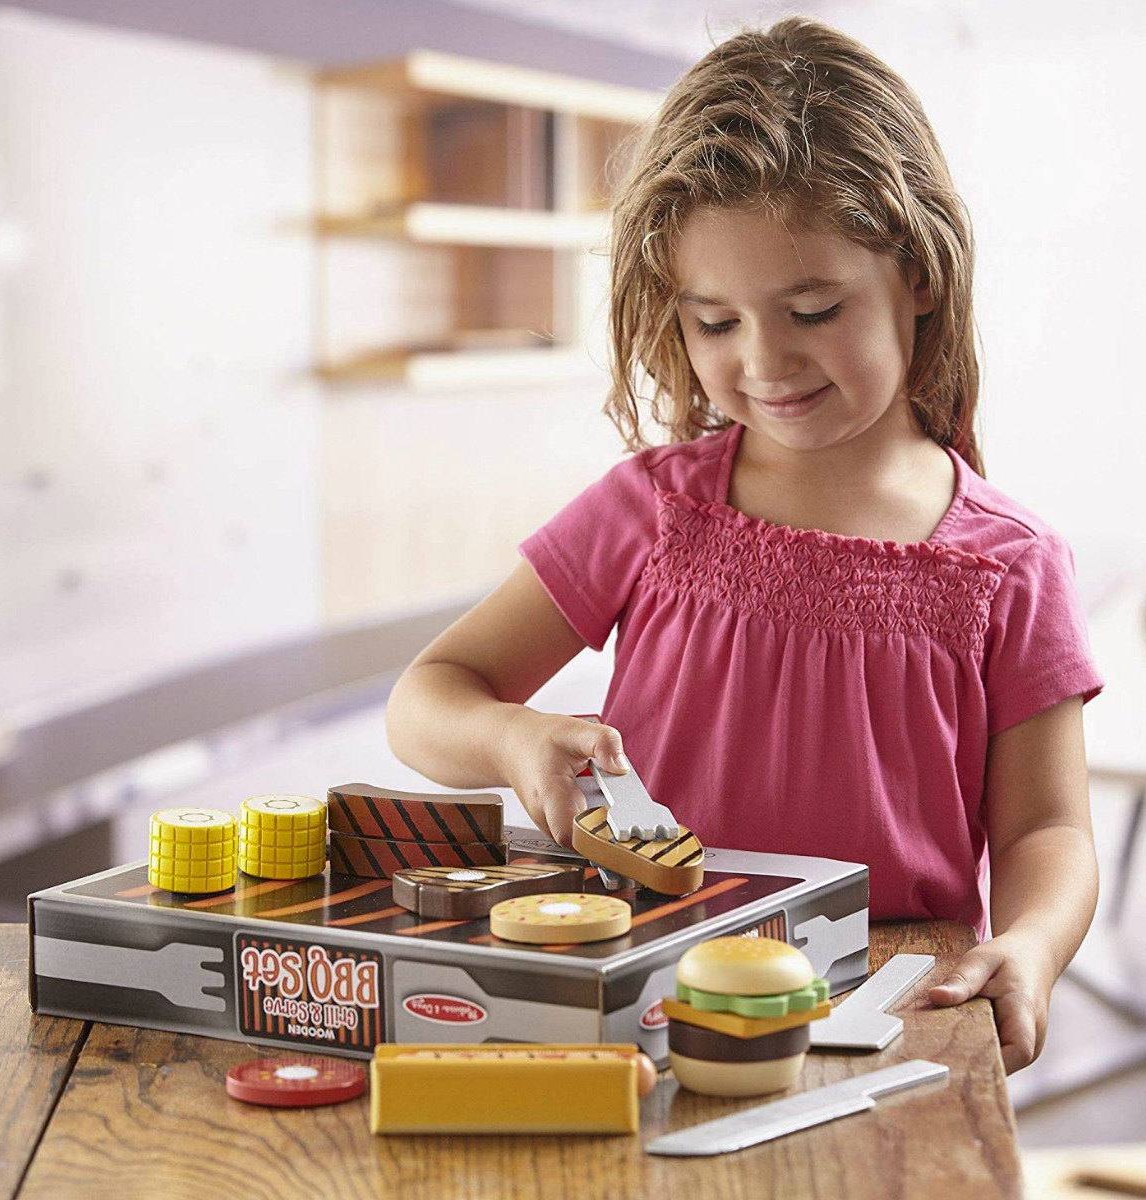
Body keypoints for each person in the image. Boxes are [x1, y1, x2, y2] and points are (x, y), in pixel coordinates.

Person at [385, 17, 1104, 1074]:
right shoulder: (650, 512)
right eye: (714, 323)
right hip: (643, 1008)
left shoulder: (1011, 563)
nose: (765, 362)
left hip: (889, 1014)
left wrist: (1033, 946)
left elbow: (1049, 831)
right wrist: (510, 742)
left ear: (921, 275)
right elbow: (430, 693)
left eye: (813, 308)